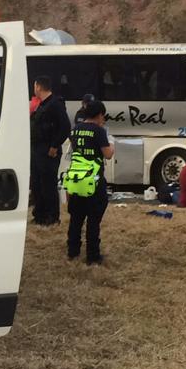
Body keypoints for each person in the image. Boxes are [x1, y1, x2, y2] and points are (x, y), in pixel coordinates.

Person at [67, 100, 114, 264]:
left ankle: (72, 251)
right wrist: (112, 143)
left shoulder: (75, 130)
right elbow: (107, 154)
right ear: (100, 114)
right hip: (94, 181)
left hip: (76, 180)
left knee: (76, 218)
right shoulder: (99, 131)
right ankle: (92, 255)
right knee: (93, 219)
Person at [30, 76, 70, 225]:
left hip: (48, 150)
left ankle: (52, 217)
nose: (34, 89)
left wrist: (54, 145)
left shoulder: (55, 104)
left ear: (39, 87)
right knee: (36, 183)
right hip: (36, 149)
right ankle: (39, 214)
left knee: (48, 184)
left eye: (35, 86)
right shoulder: (41, 105)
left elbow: (65, 127)